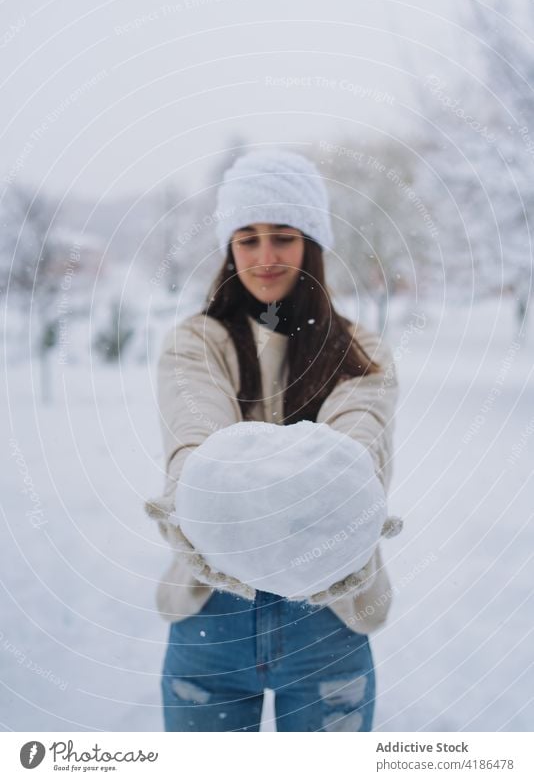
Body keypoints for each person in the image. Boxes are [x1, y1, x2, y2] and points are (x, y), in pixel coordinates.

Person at [145, 148, 399, 732]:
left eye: (283, 237)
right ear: (229, 248)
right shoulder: (196, 344)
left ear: (312, 242)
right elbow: (195, 453)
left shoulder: (360, 354)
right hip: (212, 613)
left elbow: (355, 465)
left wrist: (235, 495)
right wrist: (302, 497)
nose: (264, 257)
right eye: (247, 238)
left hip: (327, 621)